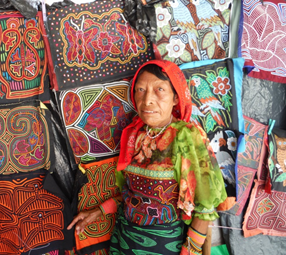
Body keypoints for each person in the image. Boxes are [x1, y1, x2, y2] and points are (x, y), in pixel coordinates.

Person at [68, 60, 227, 255]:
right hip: (123, 239)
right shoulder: (136, 134)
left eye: (159, 89)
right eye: (141, 90)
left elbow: (205, 208)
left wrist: (189, 252)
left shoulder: (187, 137)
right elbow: (132, 195)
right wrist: (98, 211)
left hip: (165, 245)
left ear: (176, 97)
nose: (147, 100)